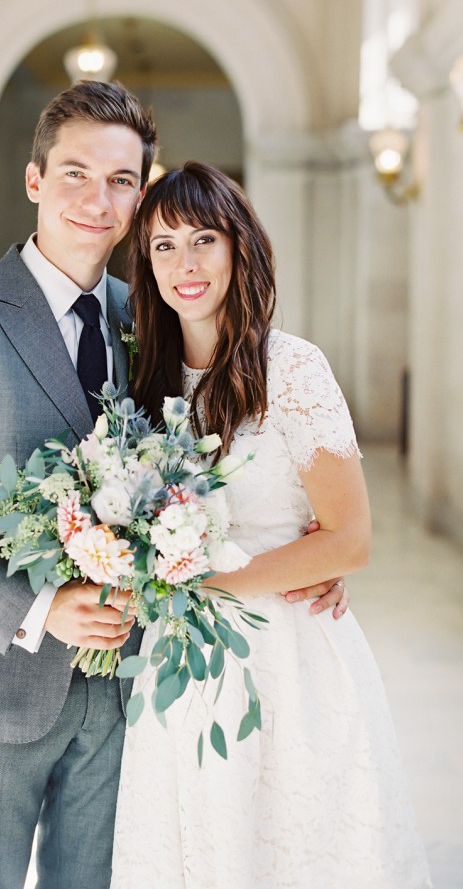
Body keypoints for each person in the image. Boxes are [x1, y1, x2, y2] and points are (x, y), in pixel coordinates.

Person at [0, 84, 348, 889]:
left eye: (122, 180)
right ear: (34, 181)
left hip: (129, 691)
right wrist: (39, 607)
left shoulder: (154, 319)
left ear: (140, 195)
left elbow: (212, 465)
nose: (98, 199)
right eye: (77, 173)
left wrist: (302, 549)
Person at [111, 161, 431, 889]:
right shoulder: (143, 377)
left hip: (285, 656)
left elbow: (351, 538)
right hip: (176, 661)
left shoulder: (290, 369)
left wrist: (208, 576)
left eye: (203, 241)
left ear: (238, 248)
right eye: (163, 246)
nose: (184, 264)